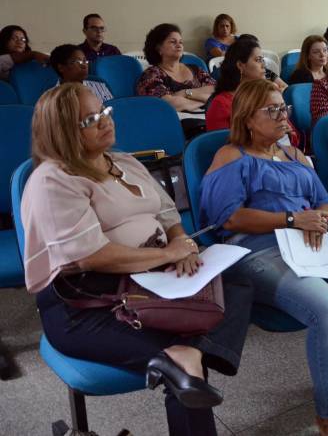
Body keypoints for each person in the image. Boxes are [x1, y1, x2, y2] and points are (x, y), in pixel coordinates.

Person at [22, 83, 254, 436]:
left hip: (149, 279)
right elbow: (91, 256)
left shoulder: (124, 161)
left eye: (104, 112)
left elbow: (167, 213)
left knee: (238, 282)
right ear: (63, 132)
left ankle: (192, 352)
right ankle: (188, 357)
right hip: (87, 304)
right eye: (90, 119)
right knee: (186, 369)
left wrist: (182, 246)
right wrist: (165, 254)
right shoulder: (53, 180)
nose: (105, 122)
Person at [200, 79, 328, 435]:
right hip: (258, 248)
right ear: (248, 119)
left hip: (312, 242)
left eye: (284, 107)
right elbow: (229, 218)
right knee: (327, 309)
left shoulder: (294, 156)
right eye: (273, 110)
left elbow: (325, 200)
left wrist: (320, 219)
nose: (284, 115)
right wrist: (292, 219)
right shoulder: (231, 156)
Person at [206, 37, 288, 131]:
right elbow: (222, 142)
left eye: (263, 60)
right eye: (258, 60)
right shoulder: (221, 105)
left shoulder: (268, 96)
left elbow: (293, 135)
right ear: (240, 65)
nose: (264, 65)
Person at [136, 23, 216, 111]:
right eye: (173, 42)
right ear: (158, 48)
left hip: (206, 118)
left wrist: (186, 93)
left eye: (181, 42)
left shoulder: (195, 69)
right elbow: (170, 104)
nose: (179, 45)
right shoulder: (151, 75)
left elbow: (215, 90)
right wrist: (205, 100)